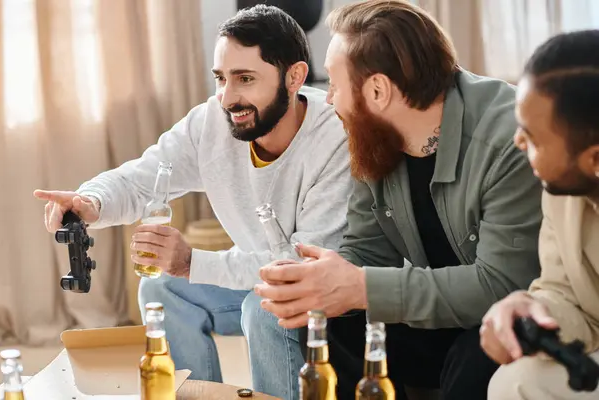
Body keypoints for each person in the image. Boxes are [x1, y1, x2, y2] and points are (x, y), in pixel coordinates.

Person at [34, 5, 351, 399]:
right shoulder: (212, 122)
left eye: (245, 79)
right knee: (162, 290)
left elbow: (300, 266)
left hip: (321, 293)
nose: (228, 97)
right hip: (257, 281)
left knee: (262, 306)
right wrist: (90, 201)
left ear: (295, 77)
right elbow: (142, 178)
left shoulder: (334, 137)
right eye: (221, 78)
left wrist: (191, 262)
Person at [254, 1, 544, 399]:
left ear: (377, 90)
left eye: (335, 86)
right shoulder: (372, 137)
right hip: (439, 318)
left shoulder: (507, 140)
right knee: (328, 321)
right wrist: (321, 281)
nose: (327, 99)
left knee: (476, 350)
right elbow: (368, 251)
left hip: (509, 315)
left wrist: (362, 287)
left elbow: (501, 285)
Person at [480, 30, 599, 399]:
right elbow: (568, 295)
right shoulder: (562, 189)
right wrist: (530, 308)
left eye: (532, 138)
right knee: (515, 381)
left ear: (594, 158)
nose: (518, 143)